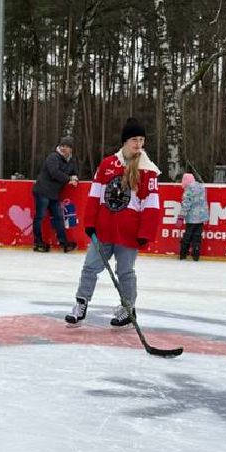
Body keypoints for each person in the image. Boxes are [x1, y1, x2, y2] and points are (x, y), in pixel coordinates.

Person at [66, 117, 162, 328]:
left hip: (129, 233)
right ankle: (81, 304)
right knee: (90, 267)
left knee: (125, 272)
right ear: (125, 141)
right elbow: (95, 195)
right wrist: (89, 222)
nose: (138, 144)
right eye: (134, 139)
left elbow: (151, 205)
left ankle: (128, 309)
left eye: (141, 139)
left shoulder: (148, 170)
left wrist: (145, 232)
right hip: (104, 229)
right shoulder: (108, 164)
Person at [31, 138, 79, 252]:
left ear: (71, 149)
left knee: (58, 217)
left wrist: (75, 178)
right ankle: (38, 242)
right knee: (40, 216)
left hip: (54, 193)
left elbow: (74, 172)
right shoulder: (53, 157)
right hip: (42, 190)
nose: (64, 148)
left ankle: (63, 243)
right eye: (62, 145)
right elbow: (54, 173)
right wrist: (69, 179)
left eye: (67, 146)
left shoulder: (71, 161)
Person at [178, 172, 208, 261]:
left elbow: (186, 204)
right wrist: (205, 217)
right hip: (201, 218)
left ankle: (183, 254)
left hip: (191, 218)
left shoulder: (188, 190)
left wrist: (181, 217)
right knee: (197, 236)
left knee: (188, 236)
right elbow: (204, 203)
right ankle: (196, 254)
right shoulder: (202, 188)